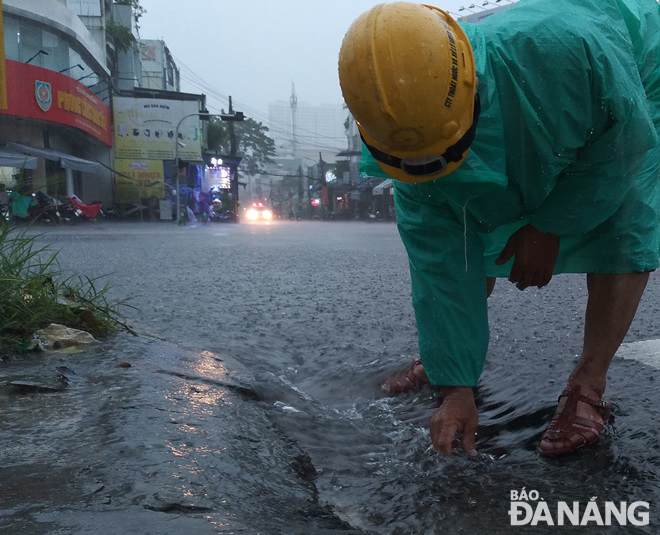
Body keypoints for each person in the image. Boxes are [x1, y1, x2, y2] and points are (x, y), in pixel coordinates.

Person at [338, 0, 659, 456]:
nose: (435, 169)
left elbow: (621, 150)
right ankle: (450, 358)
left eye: (445, 149)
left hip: (637, 71)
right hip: (542, 89)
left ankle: (589, 380)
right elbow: (442, 266)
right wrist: (455, 387)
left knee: (626, 217)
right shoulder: (402, 123)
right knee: (460, 203)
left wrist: (547, 227)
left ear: (472, 87)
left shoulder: (568, 52)